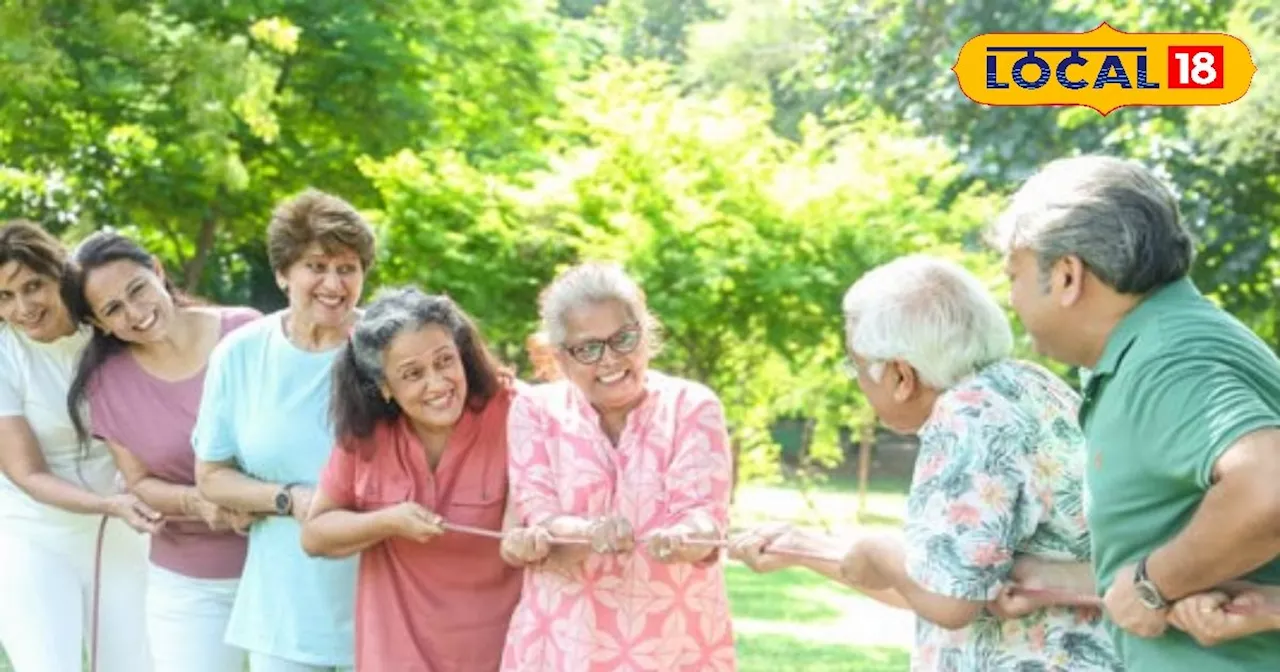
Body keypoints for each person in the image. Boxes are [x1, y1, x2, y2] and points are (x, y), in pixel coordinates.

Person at [731, 255, 1120, 671]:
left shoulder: (967, 416)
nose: (858, 382)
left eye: (855, 366)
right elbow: (939, 582)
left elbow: (950, 600)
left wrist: (878, 551)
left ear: (901, 375)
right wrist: (806, 549)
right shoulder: (1026, 383)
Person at [989, 154, 1280, 668]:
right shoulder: (1153, 347)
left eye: (1014, 274)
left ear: (1066, 275)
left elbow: (1270, 489)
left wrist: (1153, 582)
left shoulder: (1168, 359)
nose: (1011, 298)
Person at [497, 262, 737, 671]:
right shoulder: (535, 411)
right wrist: (591, 532)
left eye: (624, 338)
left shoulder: (692, 406)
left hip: (673, 646)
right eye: (588, 348)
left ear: (646, 334)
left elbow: (703, 517)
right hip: (563, 647)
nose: (610, 360)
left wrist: (683, 537)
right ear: (561, 357)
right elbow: (540, 517)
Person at [62, 231, 262, 672]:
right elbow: (139, 482)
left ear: (157, 270)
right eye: (113, 309)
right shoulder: (106, 386)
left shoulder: (246, 331)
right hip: (192, 580)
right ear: (98, 324)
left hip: (283, 559)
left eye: (137, 288)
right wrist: (198, 501)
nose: (136, 313)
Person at [193, 189, 375, 672]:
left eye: (348, 267)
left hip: (382, 596)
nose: (334, 283)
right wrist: (287, 497)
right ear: (282, 273)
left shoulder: (387, 345)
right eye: (316, 266)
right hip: (284, 607)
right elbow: (211, 475)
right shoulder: (241, 352)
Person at [300, 287, 523, 671]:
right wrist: (388, 522)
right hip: (395, 655)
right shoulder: (365, 433)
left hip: (502, 652)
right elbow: (315, 534)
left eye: (445, 361)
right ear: (385, 387)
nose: (437, 384)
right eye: (413, 374)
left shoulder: (516, 413)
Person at [0, 220, 154, 672]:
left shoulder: (108, 330)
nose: (23, 307)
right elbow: (26, 472)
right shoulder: (4, 355)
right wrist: (107, 503)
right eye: (5, 297)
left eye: (33, 286)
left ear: (58, 276)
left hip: (122, 530)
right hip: (31, 534)